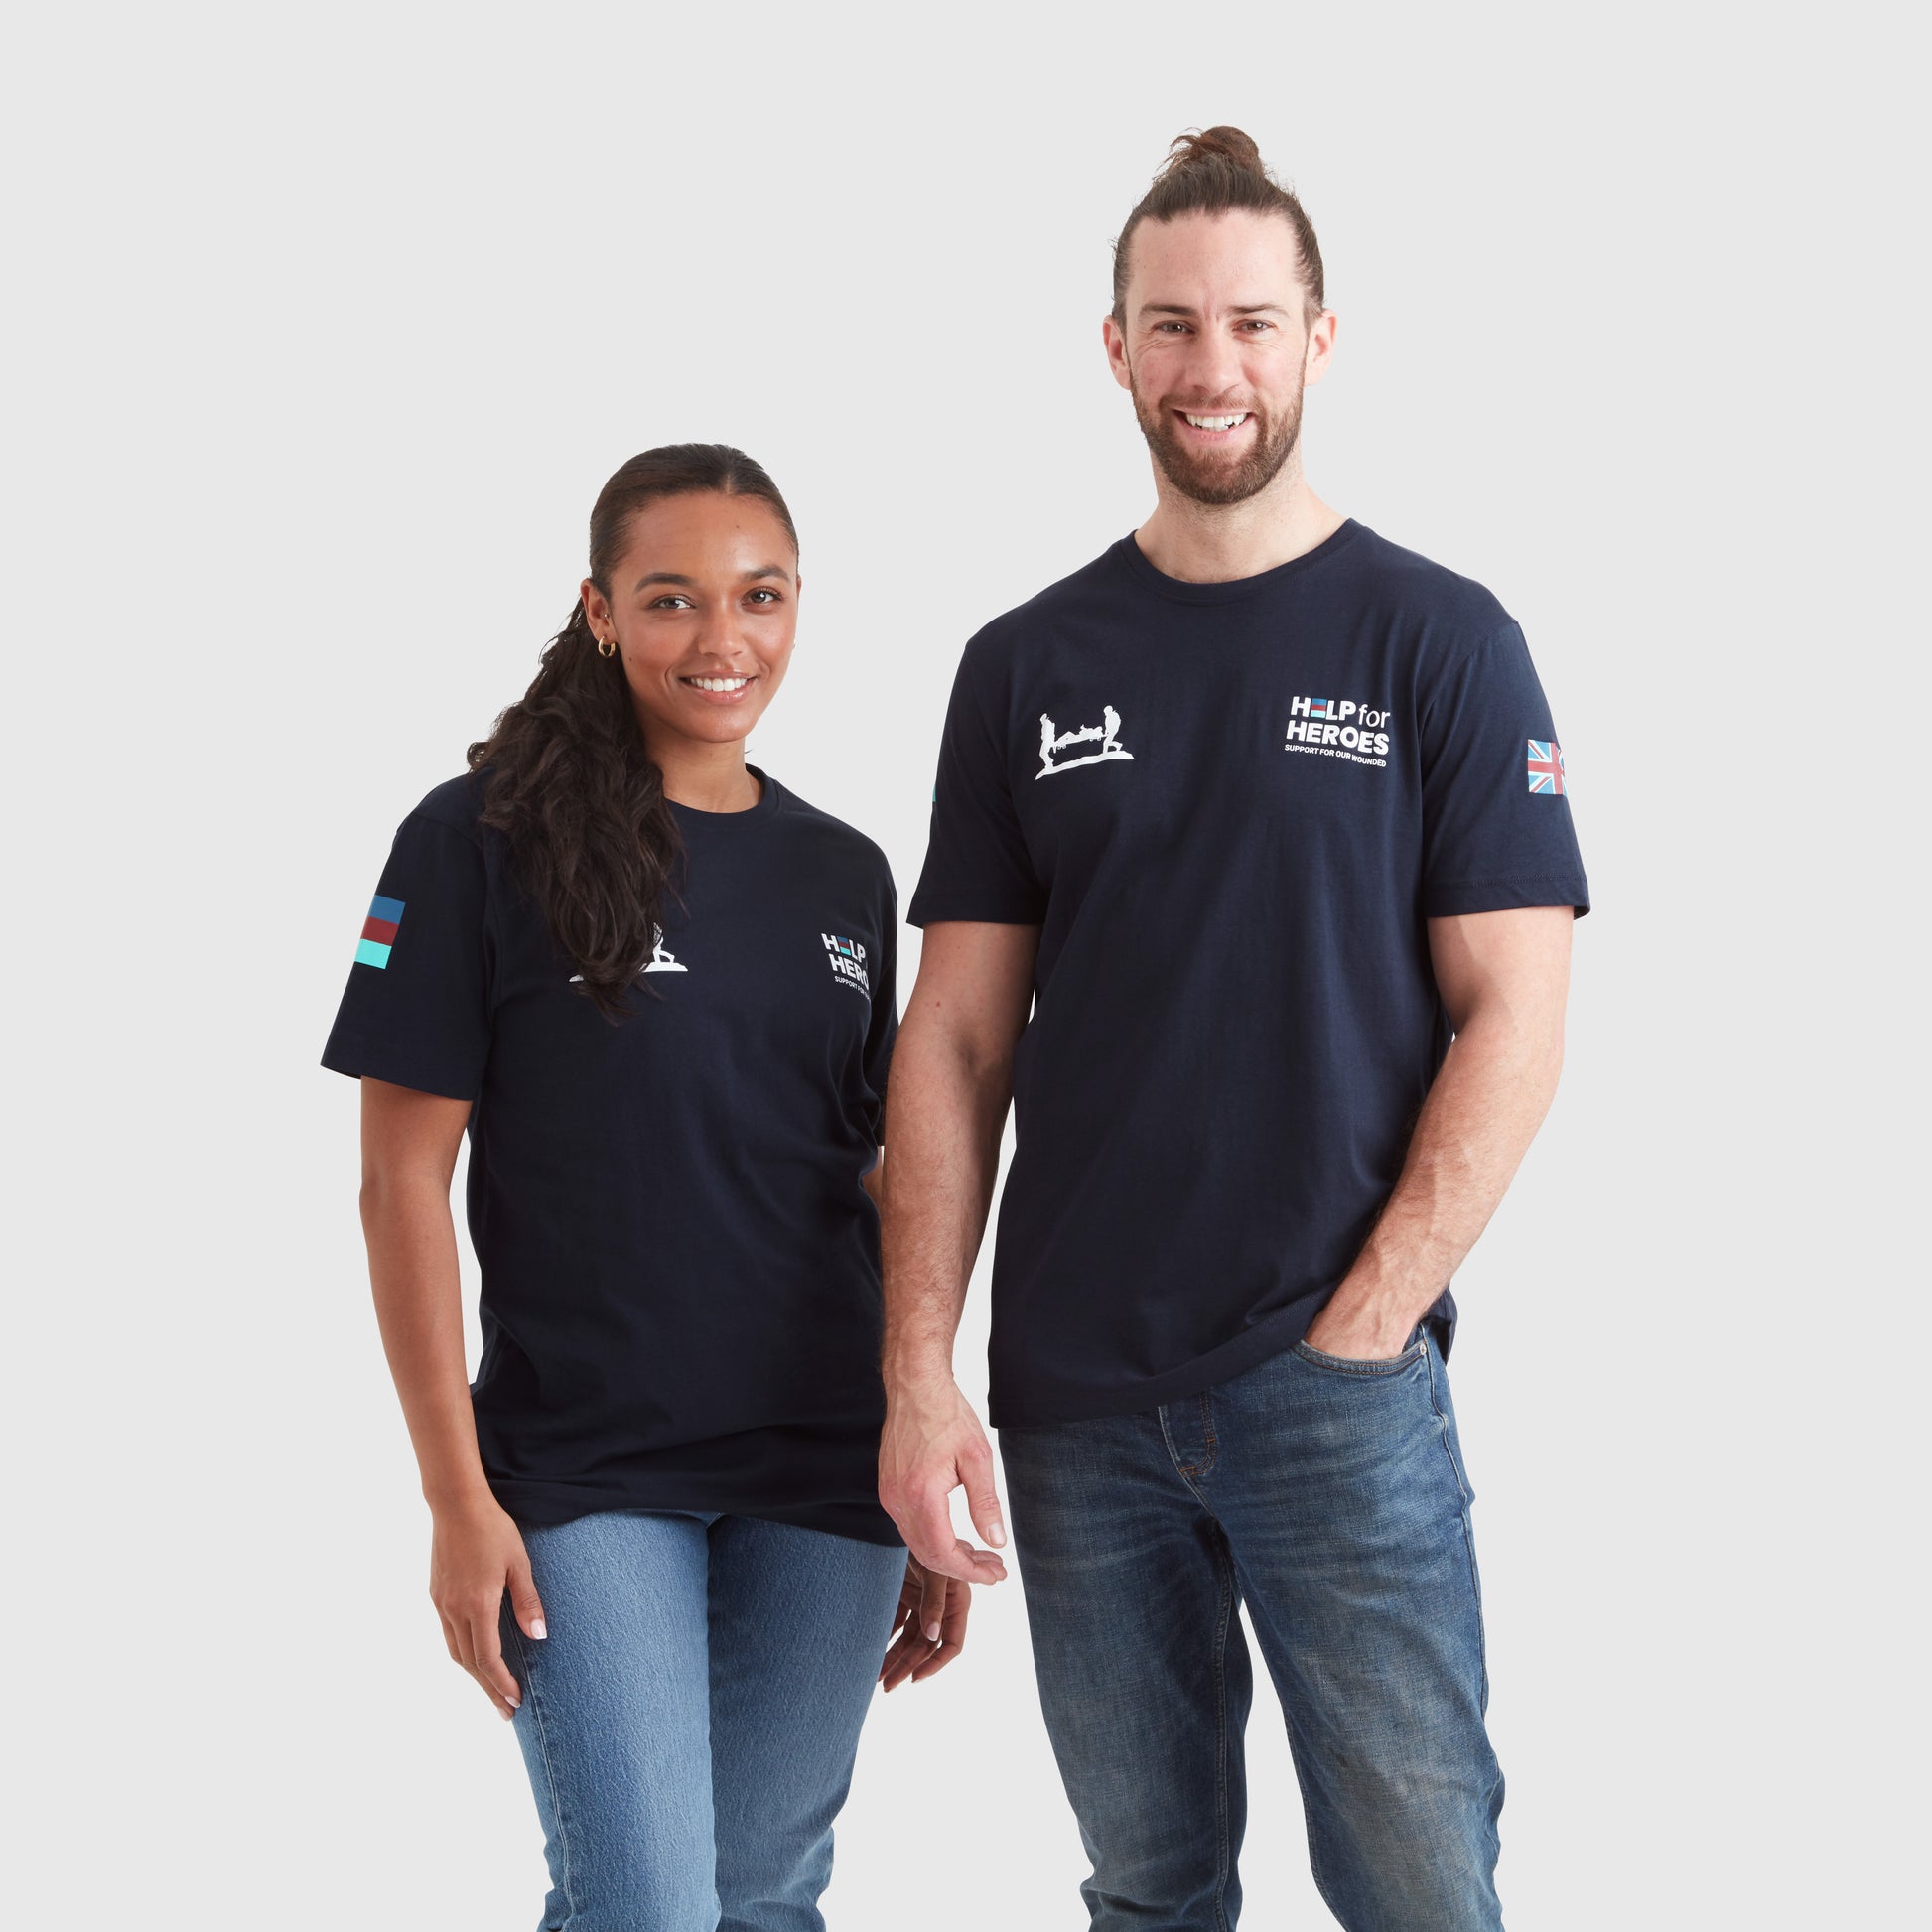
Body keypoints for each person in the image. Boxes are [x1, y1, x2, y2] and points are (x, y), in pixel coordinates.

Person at [877, 129, 1589, 1930]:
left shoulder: (1436, 636)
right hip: (1075, 1406)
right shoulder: (1022, 663)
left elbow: (1514, 1009)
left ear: (1319, 341)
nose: (1214, 369)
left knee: (1425, 1889)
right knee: (1149, 1888)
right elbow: (953, 1045)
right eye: (1172, 324)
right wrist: (918, 1372)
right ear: (1111, 346)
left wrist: (1366, 1316)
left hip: (1332, 1388)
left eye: (1252, 323)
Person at [323, 445, 966, 1932]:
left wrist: (916, 1437)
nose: (720, 640)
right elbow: (397, 1184)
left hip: (824, 1474)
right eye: (670, 599)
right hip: (585, 1470)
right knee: (646, 1908)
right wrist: (451, 1493)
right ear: (601, 612)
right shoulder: (473, 841)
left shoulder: (843, 871)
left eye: (759, 596)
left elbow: (872, 1181)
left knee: (763, 1897)